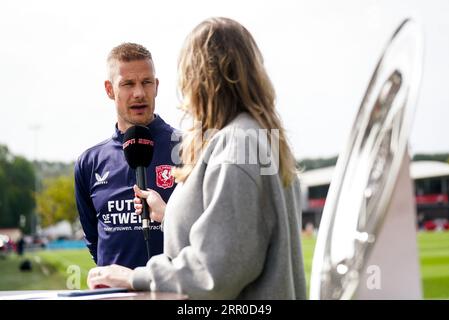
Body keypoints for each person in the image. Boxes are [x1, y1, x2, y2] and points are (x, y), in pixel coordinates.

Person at [87, 17, 306, 299]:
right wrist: (169, 216)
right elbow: (234, 235)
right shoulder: (253, 136)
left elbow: (215, 273)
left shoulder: (237, 145)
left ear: (201, 76)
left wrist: (135, 277)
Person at [75, 43, 178, 269]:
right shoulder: (89, 163)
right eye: (128, 84)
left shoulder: (188, 149)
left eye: (146, 82)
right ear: (110, 90)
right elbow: (94, 240)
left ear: (157, 86)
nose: (139, 93)